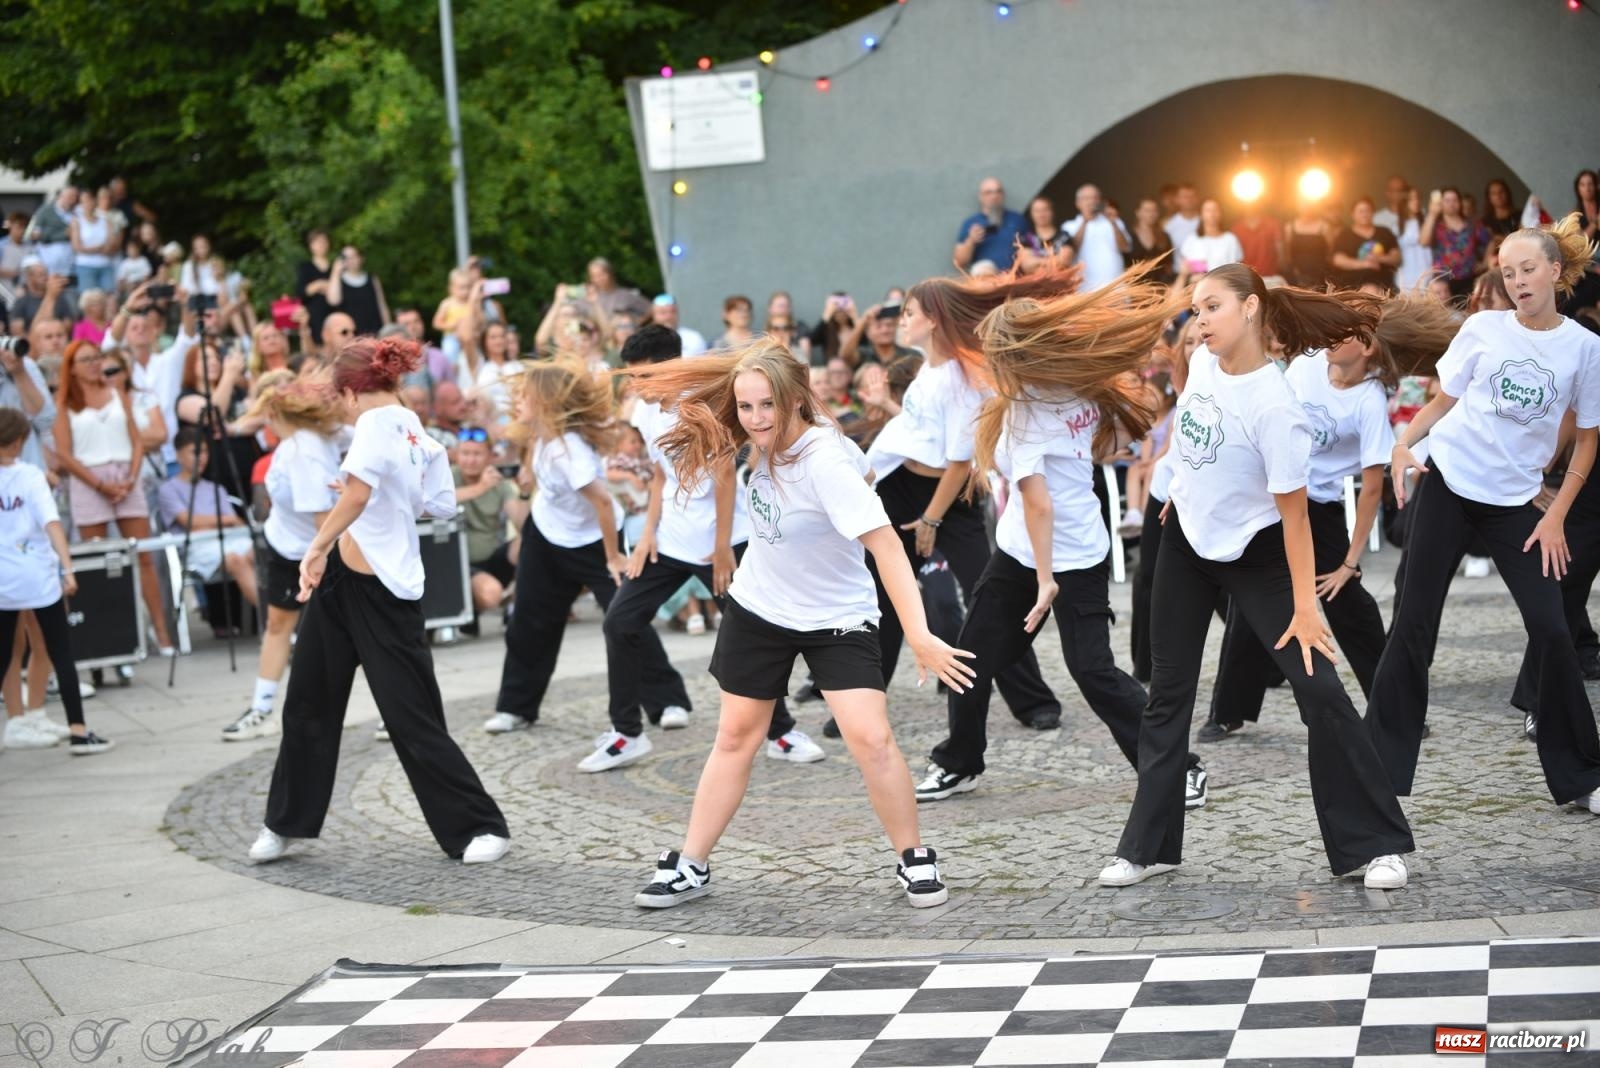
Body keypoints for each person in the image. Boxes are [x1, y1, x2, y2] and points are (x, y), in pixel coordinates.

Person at [624, 341, 976, 910]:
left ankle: (914, 857)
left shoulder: (824, 460)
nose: (756, 419)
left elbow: (886, 547)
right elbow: (858, 463)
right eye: (746, 407)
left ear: (794, 402)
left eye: (767, 406)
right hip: (760, 607)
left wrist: (918, 634)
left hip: (836, 615)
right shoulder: (757, 438)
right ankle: (690, 864)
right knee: (735, 736)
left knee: (871, 738)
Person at [1103, 263, 1414, 890]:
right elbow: (1191, 445)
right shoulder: (1201, 368)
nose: (1200, 321)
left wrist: (1305, 607)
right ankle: (1149, 848)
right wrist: (1182, 494)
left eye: (1211, 307)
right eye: (1195, 310)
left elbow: (1295, 522)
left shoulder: (1277, 406)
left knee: (1319, 688)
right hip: (1186, 543)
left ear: (1250, 309)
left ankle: (1375, 844)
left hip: (1261, 551)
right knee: (1168, 694)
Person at [915, 266, 1210, 811]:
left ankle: (1178, 768)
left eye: (995, 353)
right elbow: (1105, 447)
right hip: (1020, 555)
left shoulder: (1028, 413)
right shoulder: (1071, 391)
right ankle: (959, 762)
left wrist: (1047, 580)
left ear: (1015, 355)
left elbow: (1039, 503)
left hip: (1066, 557)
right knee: (968, 661)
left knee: (1093, 670)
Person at [1370, 215, 1600, 818]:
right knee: (1414, 624)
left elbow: (1589, 440)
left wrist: (1554, 514)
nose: (1518, 281)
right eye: (1508, 272)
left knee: (1552, 628)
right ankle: (1377, 777)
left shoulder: (1584, 347)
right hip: (1449, 484)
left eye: (1528, 269)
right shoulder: (1482, 328)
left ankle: (1579, 776)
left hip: (1515, 504)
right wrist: (1403, 445)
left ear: (1555, 271)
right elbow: (1442, 404)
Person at [249, 336, 510, 865]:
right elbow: (433, 504)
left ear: (349, 393)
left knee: (409, 715)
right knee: (308, 703)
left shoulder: (378, 424)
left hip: (382, 587)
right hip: (346, 579)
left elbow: (366, 494)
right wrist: (358, 497)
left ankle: (480, 826)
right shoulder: (416, 428)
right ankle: (284, 823)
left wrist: (318, 544)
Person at [1201, 294, 1461, 741]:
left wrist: (1349, 564)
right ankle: (1228, 712)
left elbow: (1372, 487)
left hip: (1318, 511)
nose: (1331, 342)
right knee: (1251, 605)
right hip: (1274, 501)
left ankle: (1400, 712)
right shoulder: (1304, 368)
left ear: (1367, 349)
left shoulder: (1367, 401)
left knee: (1351, 608)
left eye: (1346, 337)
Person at [599, 325, 821, 766]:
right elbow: (662, 472)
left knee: (750, 638)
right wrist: (647, 535)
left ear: (671, 369)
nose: (634, 387)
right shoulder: (644, 414)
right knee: (619, 623)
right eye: (631, 377)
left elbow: (723, 477)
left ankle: (781, 734)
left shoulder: (700, 407)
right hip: (669, 544)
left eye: (642, 377)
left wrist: (722, 549)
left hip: (718, 544)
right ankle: (626, 732)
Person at [863, 274, 1065, 733]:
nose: (903, 321)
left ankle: (1033, 701)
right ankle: (864, 703)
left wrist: (932, 517)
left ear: (933, 320)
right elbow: (922, 434)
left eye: (910, 313)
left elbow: (957, 462)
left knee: (986, 593)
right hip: (898, 491)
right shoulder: (925, 367)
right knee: (885, 596)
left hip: (947, 499)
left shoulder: (959, 377)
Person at [480, 357, 675, 770]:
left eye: (525, 396)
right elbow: (532, 446)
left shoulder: (573, 453)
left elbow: (605, 503)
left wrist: (612, 557)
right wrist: (529, 472)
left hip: (594, 542)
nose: (518, 401)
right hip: (546, 535)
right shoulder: (542, 434)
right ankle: (515, 706)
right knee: (528, 620)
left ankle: (667, 701)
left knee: (624, 618)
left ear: (547, 403)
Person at [220, 377, 344, 741]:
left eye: (265, 414)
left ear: (275, 410)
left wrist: (322, 561)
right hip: (285, 548)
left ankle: (393, 712)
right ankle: (261, 709)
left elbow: (324, 522)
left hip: (318, 554)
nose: (263, 424)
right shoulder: (298, 440)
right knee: (277, 626)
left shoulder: (305, 449)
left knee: (355, 634)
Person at [0, 407, 113, 754]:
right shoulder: (31, 476)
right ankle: (78, 729)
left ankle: (24, 717)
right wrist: (67, 566)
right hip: (37, 576)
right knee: (60, 652)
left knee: (4, 654)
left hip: (4, 579)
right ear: (19, 440)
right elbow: (51, 523)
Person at [53, 340, 175, 655]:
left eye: (97, 358)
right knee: (95, 558)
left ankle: (161, 634)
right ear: (73, 368)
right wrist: (98, 484)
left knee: (143, 557)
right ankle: (104, 637)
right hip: (88, 479)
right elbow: (64, 454)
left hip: (125, 475)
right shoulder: (64, 404)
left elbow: (136, 441)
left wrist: (131, 478)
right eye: (87, 360)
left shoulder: (118, 395)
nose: (95, 364)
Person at [158, 427, 259, 611]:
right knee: (237, 561)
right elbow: (189, 523)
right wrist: (223, 520)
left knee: (264, 551)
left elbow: (235, 523)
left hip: (230, 541)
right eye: (195, 452)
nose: (202, 457)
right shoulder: (168, 490)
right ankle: (276, 621)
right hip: (196, 549)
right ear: (178, 455)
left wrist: (209, 523)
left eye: (204, 451)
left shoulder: (217, 488)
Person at [453, 425, 527, 618]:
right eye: (465, 453)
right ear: (456, 455)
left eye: (477, 454)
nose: (470, 460)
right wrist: (480, 488)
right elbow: (433, 502)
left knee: (528, 541)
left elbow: (521, 524)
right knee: (490, 593)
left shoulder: (498, 481)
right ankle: (474, 608)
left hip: (493, 558)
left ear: (490, 457)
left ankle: (517, 604)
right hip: (459, 565)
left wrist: (525, 493)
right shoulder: (447, 477)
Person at [1418, 188, 1493, 299]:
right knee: (1444, 315)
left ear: (1460, 202)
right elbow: (1423, 242)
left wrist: (1485, 262)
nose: (1451, 204)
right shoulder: (1436, 225)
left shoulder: (1472, 224)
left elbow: (1491, 241)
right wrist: (1432, 214)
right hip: (1442, 282)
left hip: (1469, 280)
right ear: (1441, 203)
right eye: (1447, 200)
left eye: (1455, 200)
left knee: (1468, 312)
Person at [1061, 184, 1130, 291]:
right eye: (1086, 198)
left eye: (1095, 198)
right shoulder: (1069, 226)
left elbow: (1125, 248)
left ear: (1101, 202)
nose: (1091, 201)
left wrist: (1113, 222)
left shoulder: (1114, 221)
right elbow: (1071, 251)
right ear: (1078, 203)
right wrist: (1085, 221)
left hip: (1116, 289)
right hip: (1086, 292)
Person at [953, 177, 1027, 274]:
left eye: (998, 191)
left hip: (1015, 276)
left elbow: (1030, 248)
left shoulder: (1017, 219)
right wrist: (971, 241)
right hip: (986, 278)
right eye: (988, 192)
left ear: (1003, 195)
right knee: (983, 270)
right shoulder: (971, 223)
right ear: (980, 196)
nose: (994, 196)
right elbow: (959, 261)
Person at [1331, 198, 1401, 292]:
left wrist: (1378, 258)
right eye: (1360, 211)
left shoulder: (1384, 232)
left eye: (1367, 210)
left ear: (1373, 213)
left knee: (1373, 291)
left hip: (1382, 286)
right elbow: (1338, 260)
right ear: (1352, 214)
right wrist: (1365, 264)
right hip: (1352, 288)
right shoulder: (1344, 235)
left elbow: (1396, 258)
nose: (1364, 214)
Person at [1175, 199, 1245, 289]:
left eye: (1215, 210)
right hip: (1197, 290)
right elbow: (1185, 270)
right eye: (1208, 210)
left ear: (1221, 213)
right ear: (1201, 214)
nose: (1212, 214)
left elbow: (1238, 270)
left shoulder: (1230, 239)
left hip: (1225, 289)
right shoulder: (1192, 240)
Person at [325, 244, 391, 336]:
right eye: (346, 258)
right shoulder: (338, 280)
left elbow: (382, 305)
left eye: (353, 256)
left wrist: (388, 329)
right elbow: (333, 301)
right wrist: (335, 272)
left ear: (361, 258)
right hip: (352, 335)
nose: (350, 260)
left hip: (376, 332)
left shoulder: (372, 279)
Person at [70, 194, 117, 296]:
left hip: (105, 264)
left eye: (90, 201)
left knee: (109, 297)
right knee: (88, 298)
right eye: (84, 202)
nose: (88, 204)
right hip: (85, 265)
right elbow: (76, 247)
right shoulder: (77, 221)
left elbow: (111, 242)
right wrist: (99, 248)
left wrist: (89, 249)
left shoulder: (105, 220)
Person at [25, 188, 77, 277]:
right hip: (49, 257)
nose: (73, 200)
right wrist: (63, 234)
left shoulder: (75, 212)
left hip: (69, 258)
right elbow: (34, 234)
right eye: (70, 197)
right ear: (61, 196)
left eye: (75, 198)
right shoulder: (45, 211)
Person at [1015, 196, 1071, 275]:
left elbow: (1064, 262)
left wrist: (1036, 262)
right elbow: (1027, 265)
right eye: (1037, 211)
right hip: (1034, 285)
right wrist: (1053, 261)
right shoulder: (1025, 238)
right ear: (1031, 214)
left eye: (1045, 210)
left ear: (1052, 212)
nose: (1041, 214)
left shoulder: (1064, 236)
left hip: (1062, 282)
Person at [294, 229, 335, 338]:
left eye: (324, 241)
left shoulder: (335, 267)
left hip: (335, 314)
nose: (321, 245)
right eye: (317, 242)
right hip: (315, 316)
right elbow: (300, 292)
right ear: (310, 245)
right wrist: (320, 284)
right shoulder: (305, 267)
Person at [1286, 200, 1334, 290]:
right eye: (1303, 203)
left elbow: (1330, 252)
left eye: (1310, 203)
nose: (1306, 207)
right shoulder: (1289, 227)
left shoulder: (1325, 227)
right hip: (1297, 276)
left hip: (1319, 275)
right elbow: (1288, 255)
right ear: (1297, 206)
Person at [1126, 197, 1175, 284]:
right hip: (1136, 289)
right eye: (1147, 210)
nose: (1151, 214)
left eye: (1154, 210)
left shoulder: (1164, 236)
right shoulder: (1129, 236)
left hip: (1160, 288)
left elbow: (1169, 266)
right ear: (1138, 213)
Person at [1233, 204, 1285, 282]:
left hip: (1270, 278)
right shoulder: (1236, 229)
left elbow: (1281, 253)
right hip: (1247, 281)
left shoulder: (1272, 224)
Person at [1162, 183, 1202, 253]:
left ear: (1198, 198)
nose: (1189, 200)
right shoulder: (1169, 226)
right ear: (1177, 200)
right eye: (1185, 197)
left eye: (1193, 196)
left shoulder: (1206, 222)